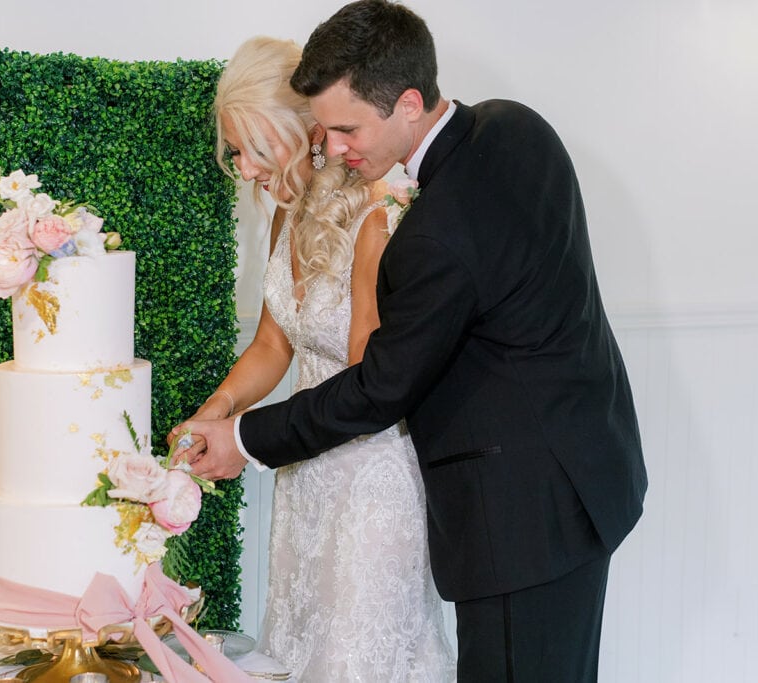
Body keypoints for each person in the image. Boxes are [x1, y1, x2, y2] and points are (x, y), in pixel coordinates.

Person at [177, 2, 648, 681]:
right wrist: (227, 408)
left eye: (344, 128)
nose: (334, 144)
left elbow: (380, 386)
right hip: (586, 464)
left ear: (405, 101)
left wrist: (245, 437)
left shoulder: (425, 234)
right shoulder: (517, 126)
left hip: (522, 512)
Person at [167, 36, 455, 681]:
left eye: (253, 149)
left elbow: (367, 381)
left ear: (308, 133)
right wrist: (215, 411)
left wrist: (245, 439)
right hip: (307, 481)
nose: (243, 169)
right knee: (301, 651)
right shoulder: (286, 217)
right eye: (236, 152)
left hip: (371, 479)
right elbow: (274, 344)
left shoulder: (379, 220)